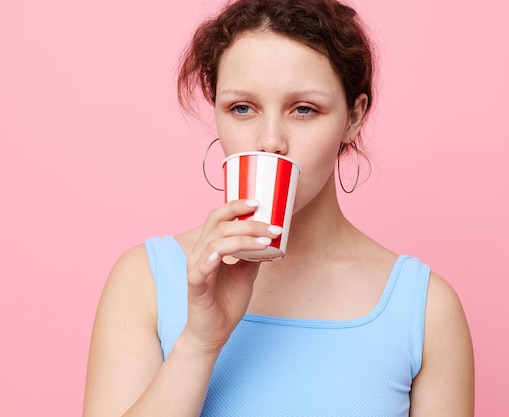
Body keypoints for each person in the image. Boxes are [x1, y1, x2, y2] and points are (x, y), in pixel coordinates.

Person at [82, 0, 474, 415]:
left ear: (354, 117)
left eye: (304, 109)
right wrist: (199, 343)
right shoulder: (145, 280)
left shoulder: (426, 310)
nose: (270, 140)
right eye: (242, 109)